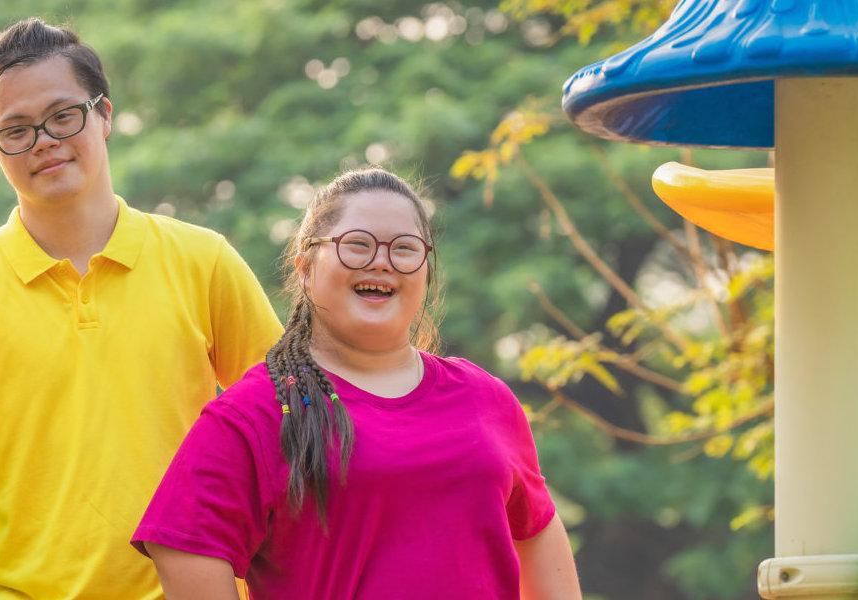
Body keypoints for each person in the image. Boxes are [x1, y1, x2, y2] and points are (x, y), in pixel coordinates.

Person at [0, 18, 283, 600]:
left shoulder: (203, 261)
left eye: (63, 116)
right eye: (17, 130)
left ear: (104, 115)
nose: (45, 141)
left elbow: (287, 433)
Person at [132, 167, 583, 600]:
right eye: (357, 245)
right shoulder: (257, 412)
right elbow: (183, 547)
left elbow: (537, 528)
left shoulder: (484, 398)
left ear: (426, 270)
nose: (381, 263)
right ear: (306, 267)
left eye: (404, 249)